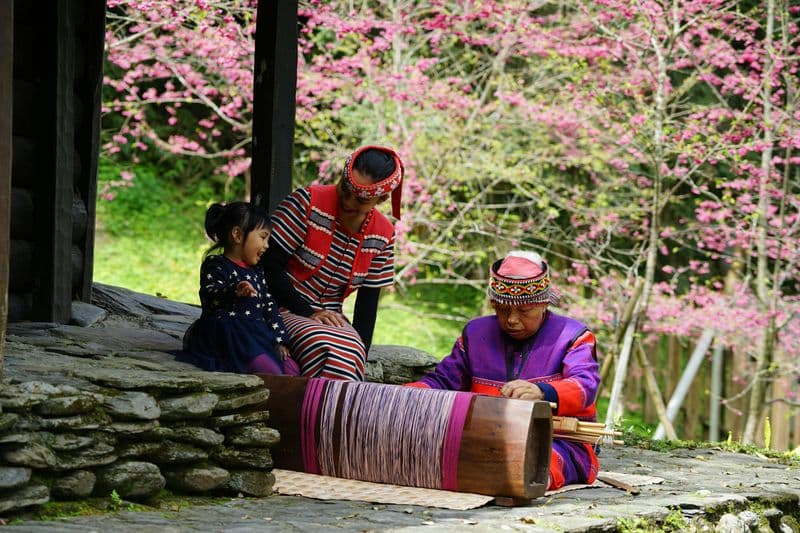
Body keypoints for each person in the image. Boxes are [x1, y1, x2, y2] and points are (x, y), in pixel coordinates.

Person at [406, 251, 600, 490]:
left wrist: (542, 392)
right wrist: (405, 395)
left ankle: (522, 480)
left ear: (543, 303)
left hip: (557, 440)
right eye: (503, 309)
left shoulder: (573, 336)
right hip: (480, 438)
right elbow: (444, 381)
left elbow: (585, 386)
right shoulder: (475, 334)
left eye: (524, 311)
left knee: (536, 462)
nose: (512, 320)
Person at [262, 145, 404, 381]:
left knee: (349, 350)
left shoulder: (383, 235)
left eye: (359, 200)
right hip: (279, 307)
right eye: (345, 189)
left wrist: (360, 350)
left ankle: (326, 413)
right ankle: (316, 414)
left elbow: (367, 304)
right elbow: (268, 267)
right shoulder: (307, 203)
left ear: (382, 198)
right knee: (325, 348)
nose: (348, 202)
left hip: (329, 319)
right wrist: (309, 312)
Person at [179, 202, 299, 376]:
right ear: (237, 235)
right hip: (229, 336)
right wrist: (234, 291)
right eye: (263, 237)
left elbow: (269, 306)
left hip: (255, 335)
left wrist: (280, 340)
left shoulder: (256, 272)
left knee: (293, 370)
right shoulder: (216, 265)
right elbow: (209, 295)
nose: (266, 245)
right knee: (271, 372)